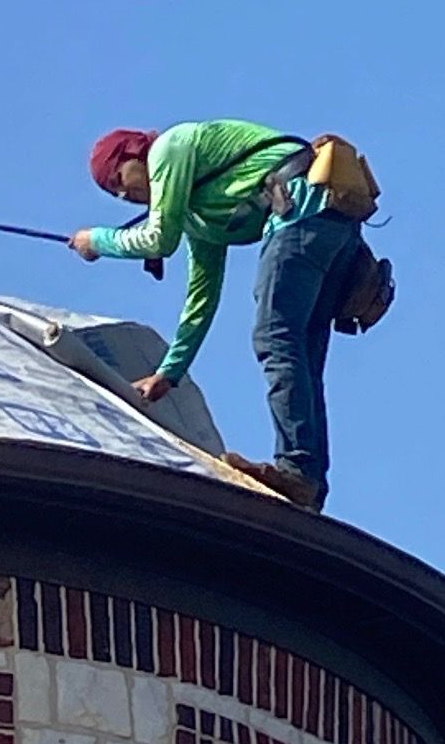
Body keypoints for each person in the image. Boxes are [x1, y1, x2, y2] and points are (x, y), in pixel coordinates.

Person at [70, 122, 363, 512]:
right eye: (114, 194)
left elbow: (160, 239)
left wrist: (98, 241)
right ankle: (309, 481)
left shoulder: (169, 149)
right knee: (301, 354)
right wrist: (170, 372)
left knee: (275, 339)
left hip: (301, 215)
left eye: (118, 180)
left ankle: (297, 471)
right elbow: (202, 296)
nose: (124, 195)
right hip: (332, 220)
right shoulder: (200, 213)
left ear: (134, 155)